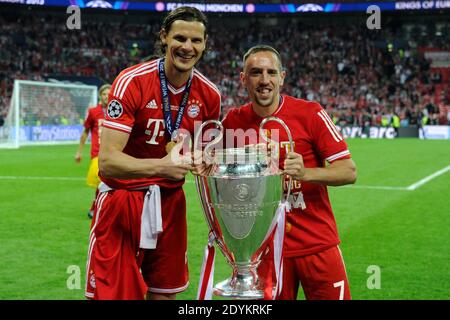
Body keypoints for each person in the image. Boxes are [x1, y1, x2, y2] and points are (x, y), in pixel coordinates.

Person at [85, 6, 221, 300]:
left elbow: (207, 153)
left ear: (205, 44)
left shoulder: (209, 95)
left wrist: (205, 159)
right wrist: (161, 167)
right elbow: (108, 162)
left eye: (196, 41)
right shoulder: (132, 81)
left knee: (164, 294)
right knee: (114, 296)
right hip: (123, 201)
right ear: (164, 37)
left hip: (171, 204)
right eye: (180, 38)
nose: (188, 47)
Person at [221, 45, 357, 300]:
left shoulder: (310, 113)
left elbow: (348, 171)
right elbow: (218, 176)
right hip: (264, 253)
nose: (264, 80)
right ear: (242, 78)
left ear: (282, 77)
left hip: (316, 244)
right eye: (255, 73)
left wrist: (306, 173)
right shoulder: (233, 122)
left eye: (271, 72)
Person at [75, 84, 111, 219]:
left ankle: (101, 206)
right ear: (100, 96)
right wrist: (79, 152)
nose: (107, 96)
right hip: (97, 153)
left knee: (112, 181)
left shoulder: (118, 110)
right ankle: (95, 207)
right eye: (104, 94)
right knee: (101, 181)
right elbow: (85, 132)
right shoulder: (93, 112)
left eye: (109, 94)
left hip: (114, 151)